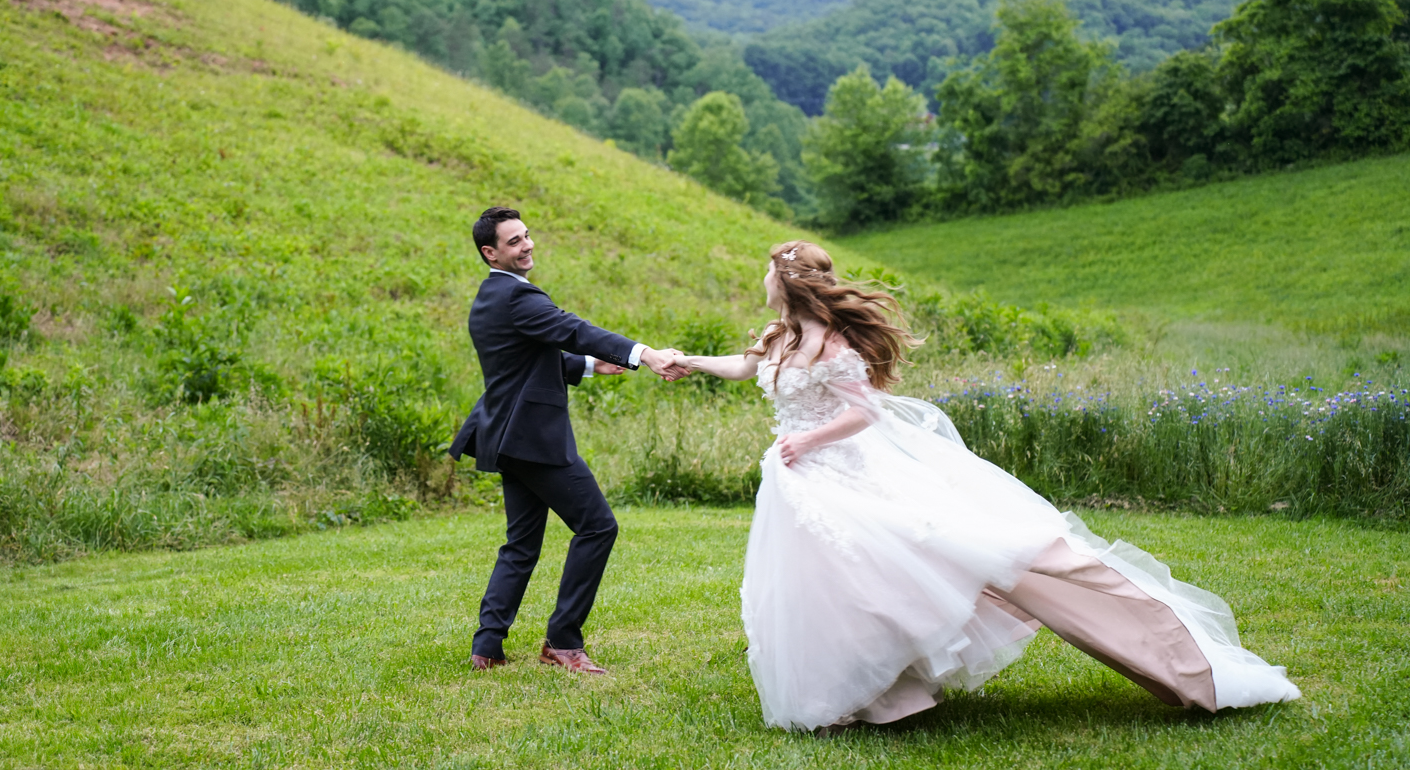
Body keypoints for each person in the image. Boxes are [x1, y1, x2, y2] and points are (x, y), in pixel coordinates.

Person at [676, 240, 1301, 731]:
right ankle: (874, 694)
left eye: (766, 271)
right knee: (826, 584)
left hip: (835, 469)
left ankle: (1179, 659)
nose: (760, 282)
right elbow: (744, 367)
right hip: (799, 482)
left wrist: (806, 441)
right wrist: (687, 362)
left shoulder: (830, 346)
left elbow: (864, 412)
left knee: (892, 568)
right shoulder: (780, 336)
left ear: (785, 279)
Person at [450, 206, 689, 675]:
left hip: (505, 436)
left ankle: (487, 646)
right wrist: (646, 355)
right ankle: (563, 641)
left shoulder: (490, 297)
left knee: (521, 544)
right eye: (514, 241)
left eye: (527, 236)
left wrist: (588, 365)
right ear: (490, 252)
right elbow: (572, 329)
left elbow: (524, 358)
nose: (527, 245)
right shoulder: (519, 297)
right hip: (533, 440)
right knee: (598, 526)